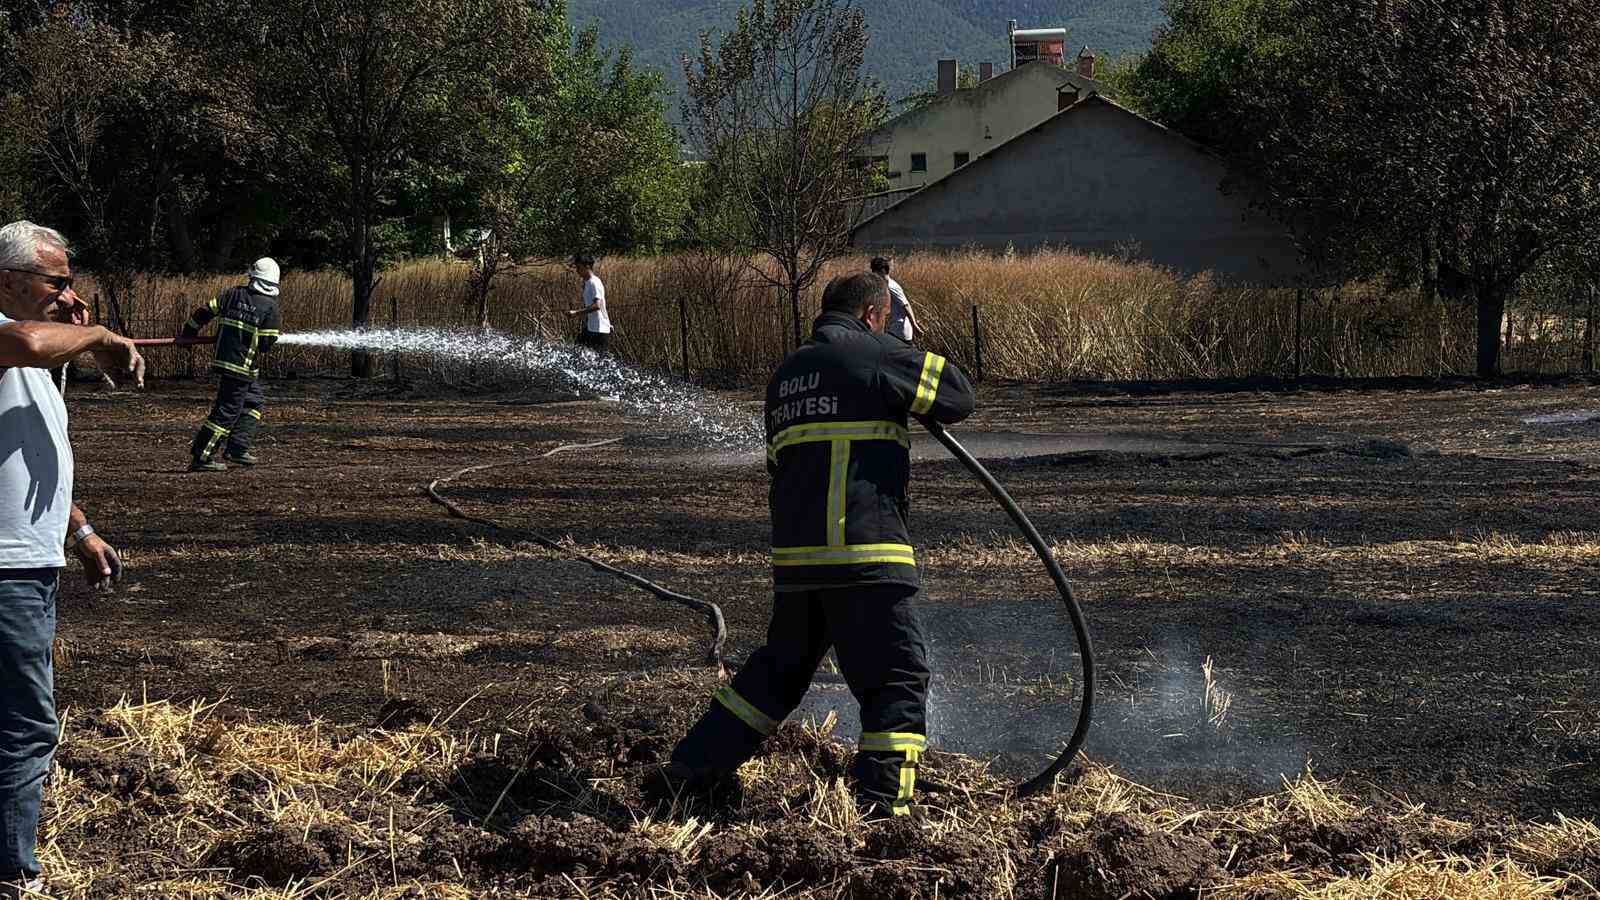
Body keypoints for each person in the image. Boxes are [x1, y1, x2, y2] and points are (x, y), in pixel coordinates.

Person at [661, 271, 975, 817]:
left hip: (799, 564)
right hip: (865, 555)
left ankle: (692, 768)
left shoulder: (786, 375)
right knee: (898, 679)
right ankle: (886, 811)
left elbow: (778, 465)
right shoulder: (875, 353)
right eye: (884, 321)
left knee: (778, 674)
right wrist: (897, 350)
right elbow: (958, 395)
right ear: (872, 315)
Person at [0, 221, 139, 898]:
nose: (68, 294)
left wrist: (79, 531)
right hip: (6, 573)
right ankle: (12, 874)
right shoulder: (12, 339)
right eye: (57, 281)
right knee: (25, 728)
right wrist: (101, 335)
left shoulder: (32, 359)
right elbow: (28, 342)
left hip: (28, 563)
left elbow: (30, 450)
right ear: (8, 280)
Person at [180, 258, 283, 472]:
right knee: (226, 412)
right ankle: (202, 457)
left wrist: (188, 333)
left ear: (252, 277)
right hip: (242, 368)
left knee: (253, 403)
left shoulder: (233, 294)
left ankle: (237, 448)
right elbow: (265, 345)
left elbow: (204, 311)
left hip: (227, 363)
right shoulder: (270, 307)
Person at [565, 253, 611, 354]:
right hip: (591, 328)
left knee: (599, 360)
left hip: (599, 330)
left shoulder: (594, 283)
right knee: (577, 353)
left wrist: (576, 313)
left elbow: (597, 306)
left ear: (587, 266)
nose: (577, 270)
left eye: (579, 267)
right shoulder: (588, 283)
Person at [871, 257, 919, 344]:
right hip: (894, 329)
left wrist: (914, 325)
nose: (873, 274)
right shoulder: (885, 285)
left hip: (899, 330)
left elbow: (906, 305)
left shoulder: (892, 286)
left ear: (882, 270)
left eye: (875, 271)